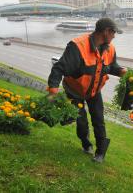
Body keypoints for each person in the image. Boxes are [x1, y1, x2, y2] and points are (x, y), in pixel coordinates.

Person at [47, 17, 127, 163]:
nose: (114, 36)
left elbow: (111, 66)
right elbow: (59, 68)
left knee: (98, 120)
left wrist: (121, 71)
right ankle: (86, 144)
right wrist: (53, 90)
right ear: (106, 31)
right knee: (81, 120)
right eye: (113, 32)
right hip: (74, 90)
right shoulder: (77, 46)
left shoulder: (110, 49)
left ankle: (100, 153)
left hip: (94, 91)